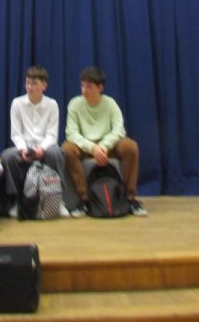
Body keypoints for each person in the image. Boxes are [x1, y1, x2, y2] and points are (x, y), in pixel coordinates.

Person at [62, 66, 148, 217]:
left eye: (89, 87)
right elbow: (71, 133)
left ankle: (130, 198)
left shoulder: (110, 103)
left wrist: (103, 146)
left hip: (107, 146)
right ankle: (84, 200)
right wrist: (92, 148)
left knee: (130, 147)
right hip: (85, 146)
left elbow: (119, 130)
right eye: (82, 86)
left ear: (100, 88)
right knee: (67, 149)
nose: (85, 90)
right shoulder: (74, 104)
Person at [0, 65, 70, 218]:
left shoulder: (52, 104)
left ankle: (58, 199)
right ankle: (16, 200)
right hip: (24, 147)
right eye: (28, 83)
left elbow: (52, 135)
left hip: (45, 146)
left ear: (44, 86)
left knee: (56, 153)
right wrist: (23, 149)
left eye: (34, 83)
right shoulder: (17, 103)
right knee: (7, 156)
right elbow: (16, 134)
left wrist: (41, 149)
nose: (30, 87)